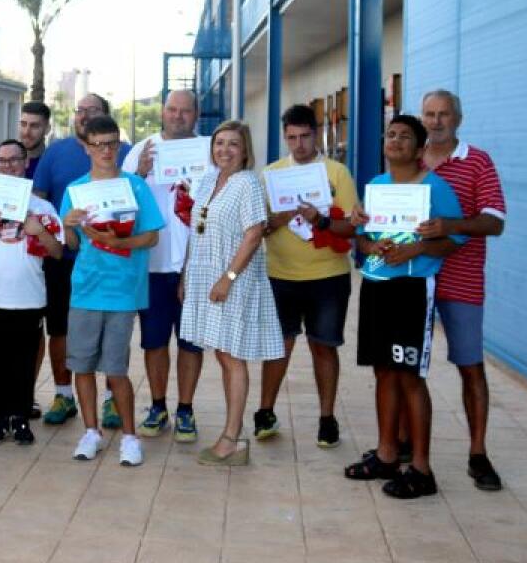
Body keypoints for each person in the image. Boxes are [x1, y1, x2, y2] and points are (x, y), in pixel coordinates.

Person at [343, 115, 465, 499]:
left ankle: (422, 469)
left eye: (405, 136)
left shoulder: (436, 188)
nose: (395, 141)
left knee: (410, 376)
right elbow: (362, 240)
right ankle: (386, 453)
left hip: (413, 290)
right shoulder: (377, 186)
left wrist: (419, 247)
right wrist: (369, 244)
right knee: (383, 372)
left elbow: (455, 240)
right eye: (391, 134)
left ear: (419, 147)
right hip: (377, 286)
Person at [180, 120, 285, 466]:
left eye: (233, 144)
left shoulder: (247, 183)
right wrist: (186, 275)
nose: (224, 150)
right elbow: (199, 231)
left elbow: (254, 234)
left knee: (230, 356)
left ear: (245, 150)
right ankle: (231, 434)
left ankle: (233, 438)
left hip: (233, 281)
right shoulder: (210, 180)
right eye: (219, 143)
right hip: (204, 278)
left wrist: (228, 277)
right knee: (223, 356)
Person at [60, 116, 163, 466]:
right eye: (99, 144)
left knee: (116, 369)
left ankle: (130, 437)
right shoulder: (75, 190)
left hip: (122, 292)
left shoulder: (135, 186)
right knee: (83, 366)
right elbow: (70, 242)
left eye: (112, 143)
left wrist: (115, 240)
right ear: (86, 147)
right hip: (86, 290)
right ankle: (91, 432)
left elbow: (151, 236)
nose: (107, 151)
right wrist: (67, 223)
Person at [418, 89, 507, 491]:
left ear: (458, 118)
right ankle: (408, 448)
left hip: (462, 279)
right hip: (413, 277)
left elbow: (494, 221)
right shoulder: (410, 158)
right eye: (429, 115)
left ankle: (478, 453)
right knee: (407, 369)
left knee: (470, 366)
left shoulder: (477, 161)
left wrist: (450, 227)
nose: (436, 121)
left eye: (443, 114)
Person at [257, 105, 361, 448]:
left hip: (327, 277)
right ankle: (265, 412)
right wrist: (282, 216)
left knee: (324, 347)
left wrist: (320, 219)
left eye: (304, 136)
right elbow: (259, 228)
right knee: (279, 347)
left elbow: (351, 227)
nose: (298, 144)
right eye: (291, 138)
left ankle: (327, 418)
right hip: (280, 275)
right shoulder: (270, 174)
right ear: (284, 136)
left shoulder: (337, 173)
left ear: (316, 135)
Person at [33, 94, 131, 428]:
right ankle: (64, 393)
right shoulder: (55, 153)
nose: (84, 115)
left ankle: (110, 401)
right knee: (59, 329)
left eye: (93, 111)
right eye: (80, 110)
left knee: (110, 335)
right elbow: (41, 201)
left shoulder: (124, 154)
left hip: (112, 260)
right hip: (65, 258)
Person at [0, 139, 64, 445]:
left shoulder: (42, 206)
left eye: (14, 160)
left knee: (23, 361)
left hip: (28, 297)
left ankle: (20, 417)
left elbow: (58, 252)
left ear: (25, 164)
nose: (8, 165)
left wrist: (41, 231)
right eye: (2, 160)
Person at [124, 90, 206, 443]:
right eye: (171, 109)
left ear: (195, 114)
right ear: (162, 112)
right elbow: (123, 206)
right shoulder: (141, 150)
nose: (177, 116)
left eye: (184, 111)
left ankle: (185, 409)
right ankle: (158, 406)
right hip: (154, 266)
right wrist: (140, 173)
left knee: (191, 344)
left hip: (197, 265)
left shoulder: (210, 150)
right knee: (154, 342)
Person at [0, 101, 50, 179]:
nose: (26, 132)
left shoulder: (52, 167)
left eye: (34, 126)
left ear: (47, 129)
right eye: (23, 124)